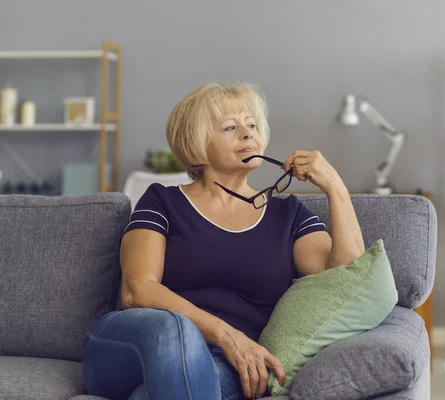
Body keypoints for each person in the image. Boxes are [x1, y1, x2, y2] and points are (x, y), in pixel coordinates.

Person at [81, 82, 365, 400]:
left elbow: (348, 280)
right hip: (135, 341)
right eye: (230, 127)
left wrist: (335, 188)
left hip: (221, 363)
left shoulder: (289, 215)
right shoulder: (162, 201)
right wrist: (230, 337)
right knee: (172, 331)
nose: (247, 134)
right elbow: (137, 290)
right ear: (196, 144)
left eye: (252, 125)